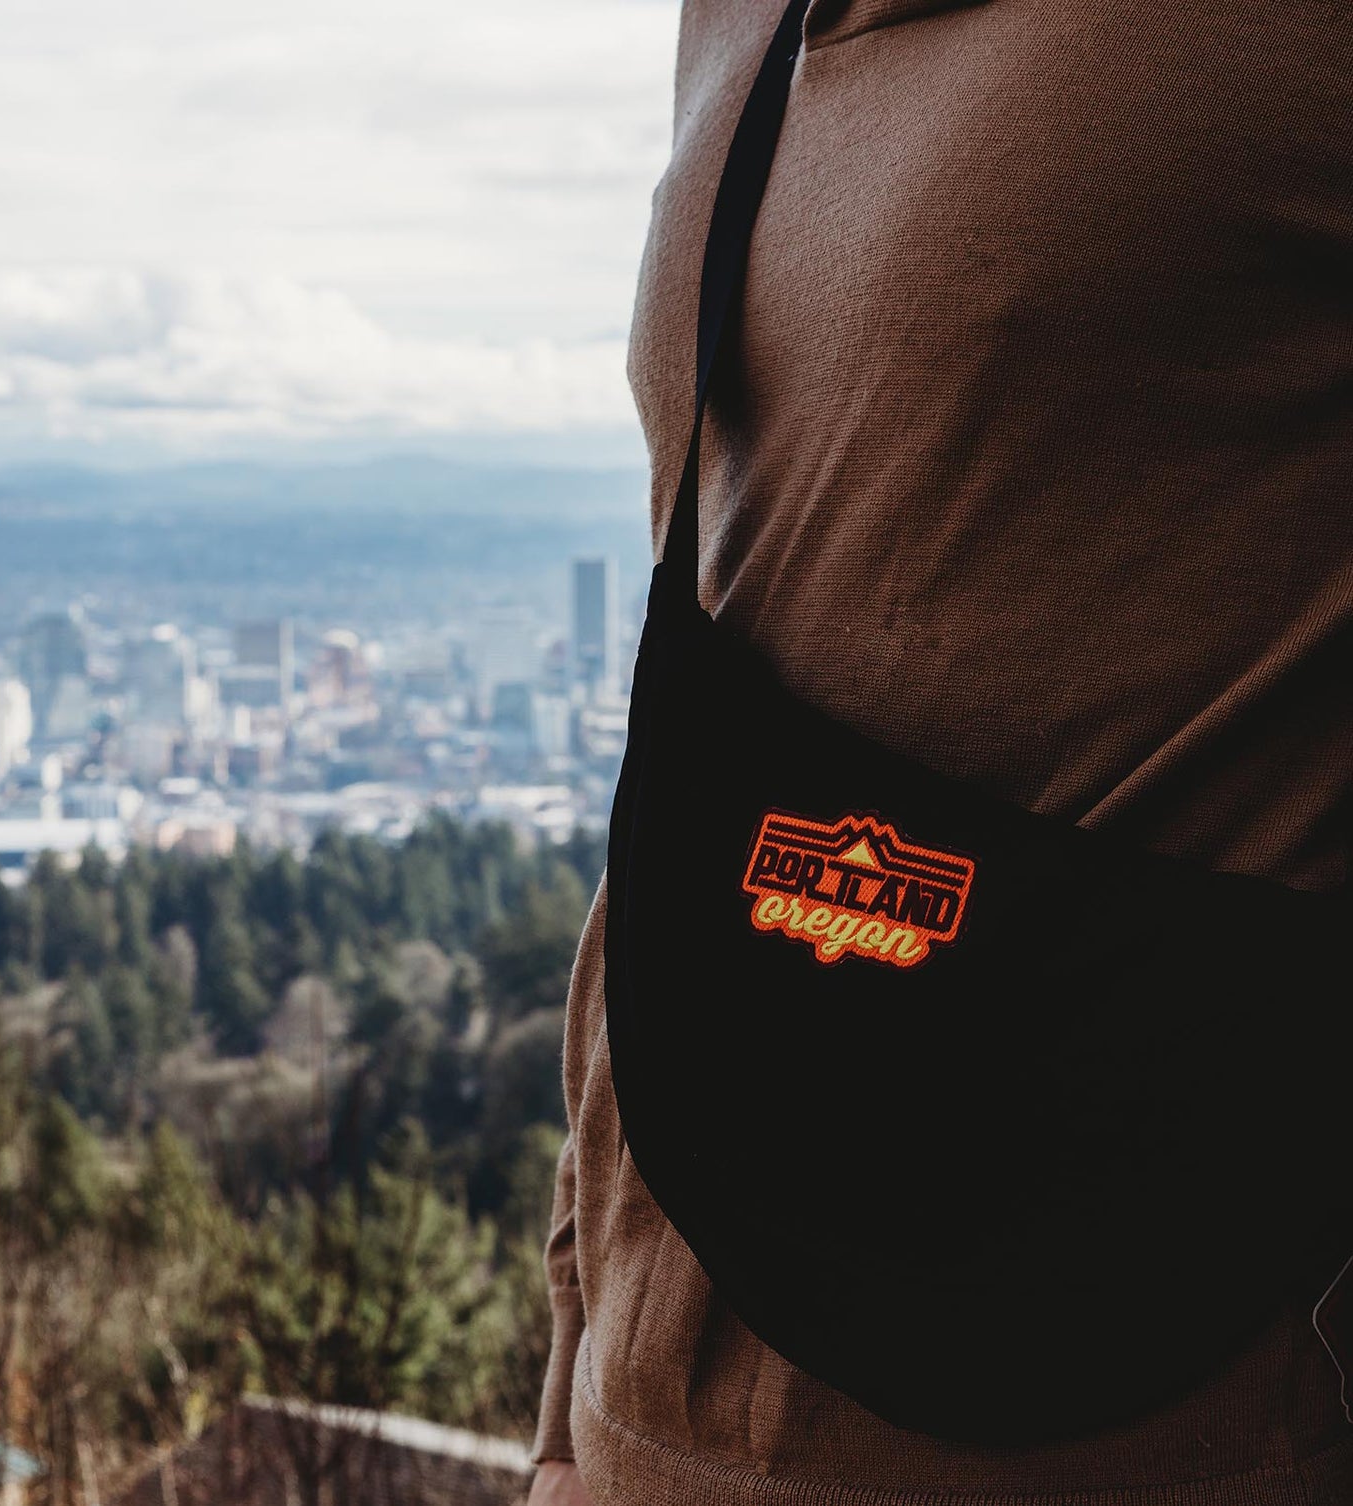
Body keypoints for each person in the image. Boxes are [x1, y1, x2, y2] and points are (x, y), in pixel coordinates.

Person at [528, 0, 1353, 1501]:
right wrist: (574, 1386)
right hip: (652, 1407)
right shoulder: (738, 20)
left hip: (1158, 1408)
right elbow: (709, 725)